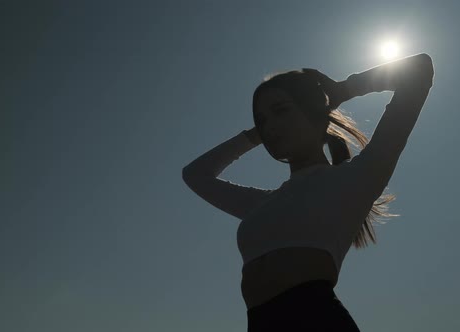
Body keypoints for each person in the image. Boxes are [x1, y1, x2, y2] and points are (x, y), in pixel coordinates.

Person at [182, 53, 435, 331]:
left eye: (281, 110)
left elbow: (418, 69)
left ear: (314, 115)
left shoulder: (358, 177)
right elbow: (195, 175)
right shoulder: (262, 203)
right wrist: (257, 134)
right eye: (261, 119)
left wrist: (344, 90)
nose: (270, 126)